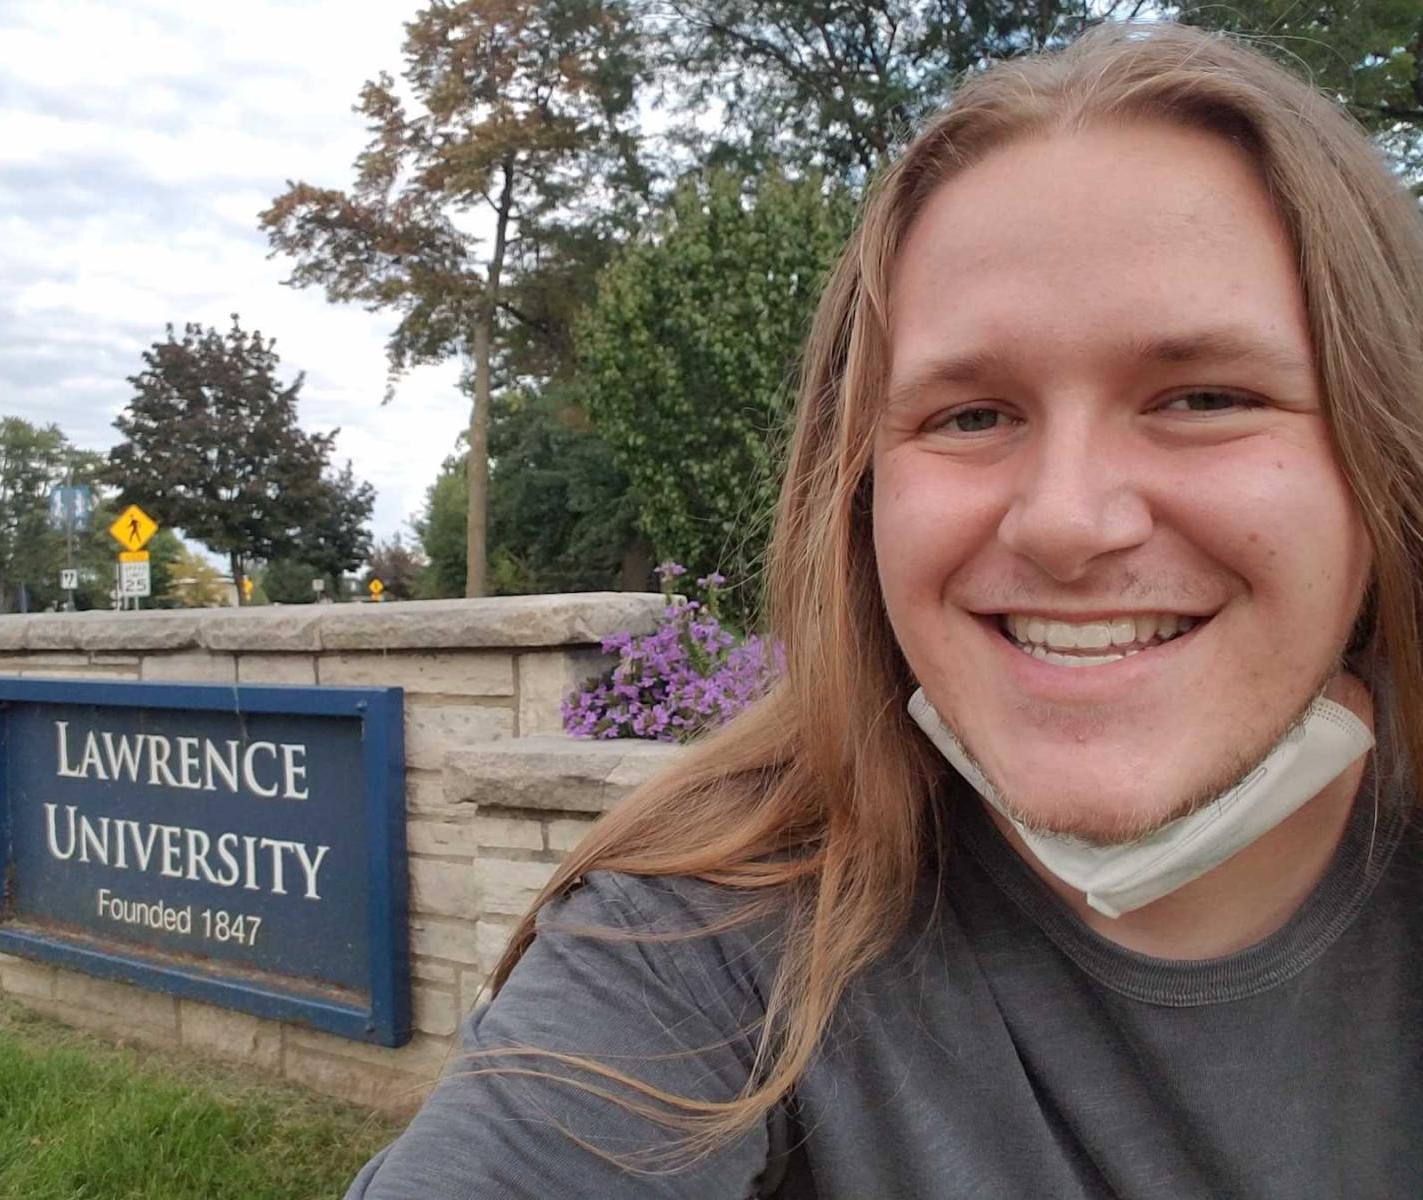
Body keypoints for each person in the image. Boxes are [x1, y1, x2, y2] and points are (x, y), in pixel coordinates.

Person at [349, 21, 1423, 1198]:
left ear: (1385, 456)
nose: (1065, 522)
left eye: (1206, 397)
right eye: (969, 415)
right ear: (857, 489)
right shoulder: (703, 943)